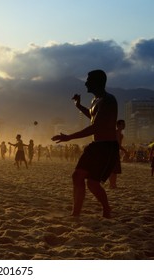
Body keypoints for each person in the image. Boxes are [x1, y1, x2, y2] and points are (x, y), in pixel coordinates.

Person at [51, 70, 118, 218]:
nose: (86, 83)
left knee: (93, 184)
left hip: (107, 146)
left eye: (89, 80)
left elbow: (96, 127)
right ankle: (75, 213)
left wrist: (69, 137)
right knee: (77, 176)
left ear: (97, 82)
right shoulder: (96, 100)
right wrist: (78, 106)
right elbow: (93, 117)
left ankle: (107, 209)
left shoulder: (109, 100)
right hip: (96, 145)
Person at [108, 119, 128, 188]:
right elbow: (117, 144)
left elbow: (118, 145)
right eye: (123, 124)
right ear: (118, 125)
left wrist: (123, 150)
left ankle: (114, 184)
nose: (124, 125)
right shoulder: (115, 132)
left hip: (115, 152)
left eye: (124, 124)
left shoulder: (121, 135)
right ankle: (112, 184)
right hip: (112, 152)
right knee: (112, 169)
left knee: (115, 170)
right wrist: (125, 150)